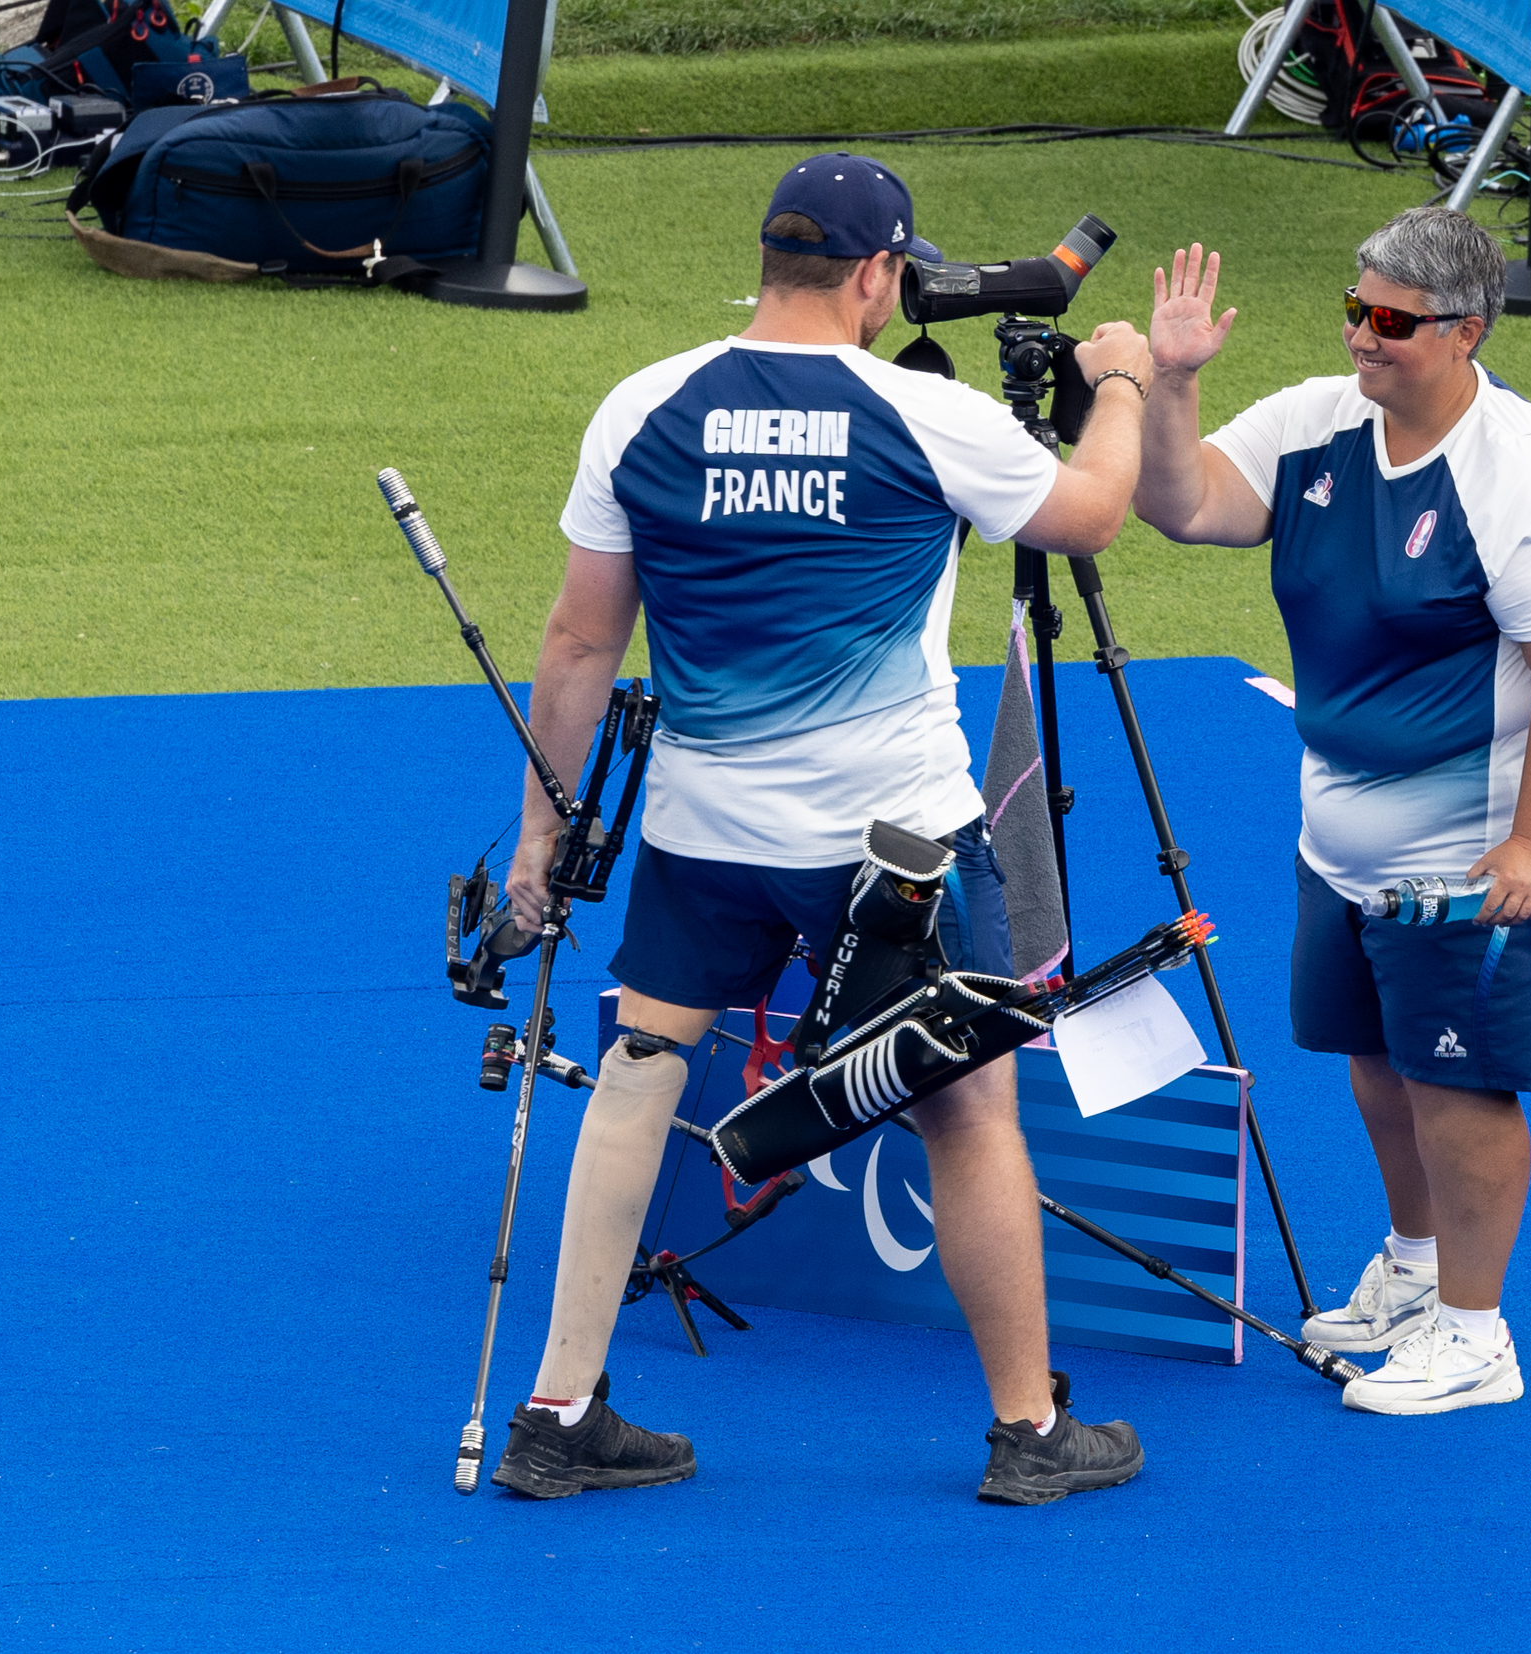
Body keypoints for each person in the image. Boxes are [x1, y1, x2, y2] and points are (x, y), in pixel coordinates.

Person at [488, 153, 1158, 1502]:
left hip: (703, 827)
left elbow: (574, 645)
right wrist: (1129, 379)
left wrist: (537, 839)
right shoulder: (920, 409)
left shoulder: (641, 405)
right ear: (875, 275)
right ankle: (1029, 1431)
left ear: (771, 260)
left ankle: (557, 1409)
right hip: (896, 844)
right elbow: (1091, 512)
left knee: (636, 1072)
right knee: (967, 1108)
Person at [1132, 205, 1531, 1416]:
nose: (1360, 336)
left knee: (1458, 1084)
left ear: (1463, 333)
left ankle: (1474, 1332)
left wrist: (1529, 845)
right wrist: (1173, 386)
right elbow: (1184, 506)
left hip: (1474, 849)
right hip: (1339, 835)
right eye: (1353, 309)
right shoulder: (1313, 424)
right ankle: (1411, 1270)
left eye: (1389, 321)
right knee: (1374, 1060)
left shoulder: (1521, 471)